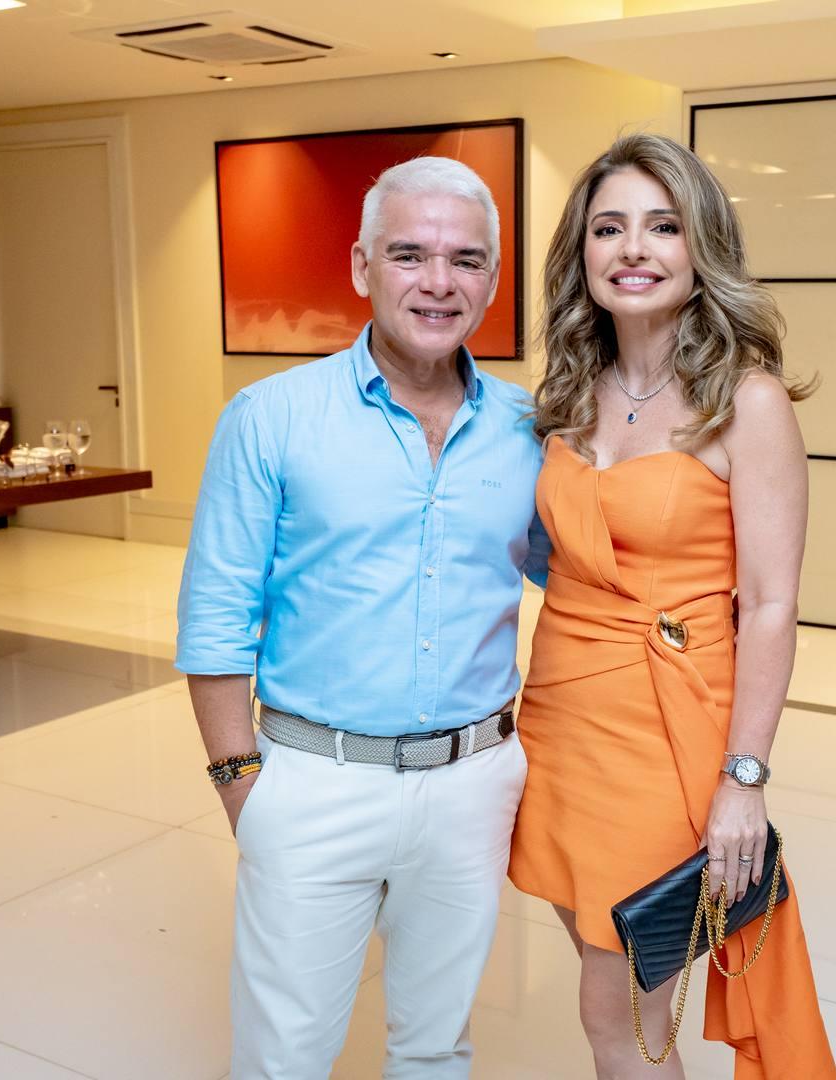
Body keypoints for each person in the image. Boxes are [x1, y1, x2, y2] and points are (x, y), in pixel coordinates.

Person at [176, 156, 549, 1080]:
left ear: (492, 281)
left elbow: (583, 582)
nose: (438, 282)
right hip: (313, 782)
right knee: (285, 1057)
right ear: (361, 267)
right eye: (409, 254)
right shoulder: (270, 417)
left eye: (466, 260)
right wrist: (240, 784)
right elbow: (217, 614)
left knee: (436, 1046)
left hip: (472, 784)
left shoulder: (530, 429)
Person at [508, 132, 836, 1079]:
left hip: (667, 734)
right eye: (608, 227)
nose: (633, 249)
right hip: (558, 723)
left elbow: (770, 603)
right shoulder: (567, 392)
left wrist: (744, 779)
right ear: (582, 252)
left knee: (620, 1014)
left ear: (702, 247)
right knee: (604, 963)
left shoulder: (747, 401)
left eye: (662, 226)